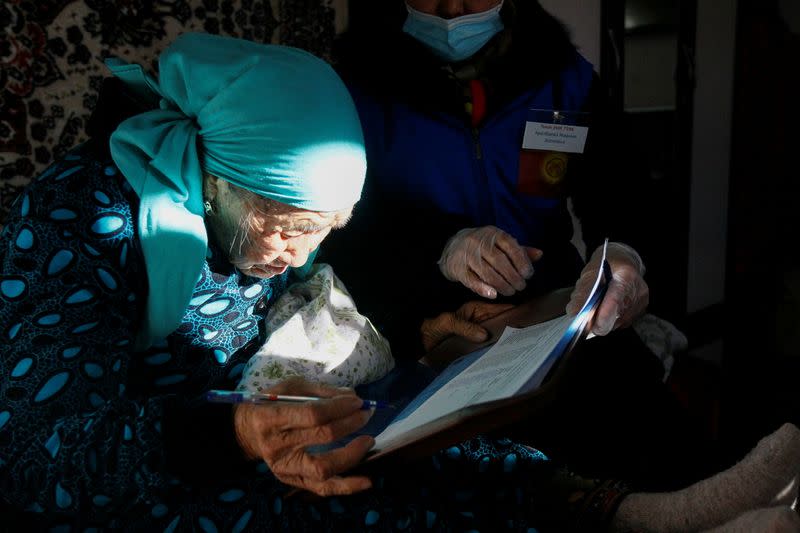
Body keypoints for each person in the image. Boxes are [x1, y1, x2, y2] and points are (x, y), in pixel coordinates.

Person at [1, 30, 799, 533]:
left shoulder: (560, 74)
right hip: (164, 461)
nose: (306, 251)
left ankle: (661, 515)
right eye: (298, 226)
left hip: (272, 410)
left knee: (467, 447)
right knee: (359, 502)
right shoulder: (81, 224)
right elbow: (40, 460)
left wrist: (423, 337)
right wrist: (239, 433)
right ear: (219, 181)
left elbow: (313, 307)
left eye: (328, 230)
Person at [319, 0, 726, 490]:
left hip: (551, 302)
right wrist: (443, 248)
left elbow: (623, 195)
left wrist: (624, 258)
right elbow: (337, 231)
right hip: (423, 313)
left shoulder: (564, 80)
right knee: (501, 461)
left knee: (637, 417)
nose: (453, 9)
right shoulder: (352, 87)